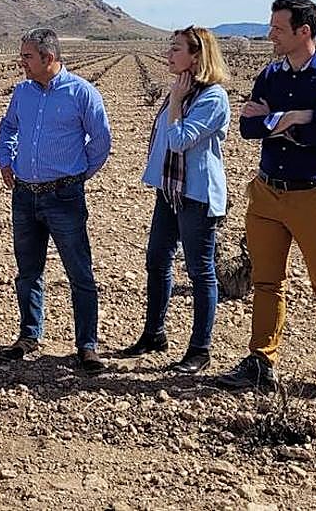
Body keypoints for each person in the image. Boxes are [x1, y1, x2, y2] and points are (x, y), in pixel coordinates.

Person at [219, 0, 316, 401]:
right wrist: (297, 116)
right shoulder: (271, 75)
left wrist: (275, 119)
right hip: (266, 195)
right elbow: (247, 126)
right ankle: (261, 361)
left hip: (313, 195)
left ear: (303, 32)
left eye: (277, 29)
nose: (270, 35)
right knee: (265, 282)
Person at [0, 28, 112, 373]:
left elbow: (101, 141)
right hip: (25, 194)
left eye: (28, 56)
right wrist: (5, 159)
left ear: (49, 57)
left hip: (64, 196)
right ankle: (29, 335)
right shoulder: (22, 93)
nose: (22, 63)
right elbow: (8, 128)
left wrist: (76, 175)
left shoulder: (82, 93)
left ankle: (87, 345)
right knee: (28, 270)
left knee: (79, 271)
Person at [121, 27, 230, 374]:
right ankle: (154, 333)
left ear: (196, 56)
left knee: (200, 271)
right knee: (156, 260)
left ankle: (200, 350)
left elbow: (180, 139)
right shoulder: (181, 90)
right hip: (169, 191)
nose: (168, 55)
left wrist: (177, 104)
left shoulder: (212, 98)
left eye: (176, 49)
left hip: (196, 195)